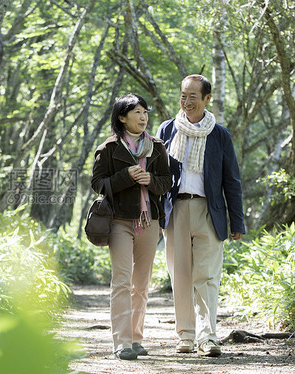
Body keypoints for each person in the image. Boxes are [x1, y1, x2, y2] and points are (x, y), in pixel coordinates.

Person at [157, 74, 245, 357]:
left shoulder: (219, 135)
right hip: (176, 209)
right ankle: (185, 335)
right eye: (183, 95)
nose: (186, 102)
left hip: (210, 210)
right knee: (180, 275)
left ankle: (207, 337)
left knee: (207, 276)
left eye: (193, 96)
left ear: (207, 99)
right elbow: (156, 173)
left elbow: (232, 180)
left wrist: (237, 221)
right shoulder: (168, 129)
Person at [91, 94, 171, 360]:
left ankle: (136, 339)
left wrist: (150, 180)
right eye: (136, 112)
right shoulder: (109, 148)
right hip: (119, 221)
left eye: (145, 112)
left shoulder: (157, 146)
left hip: (150, 221)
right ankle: (122, 342)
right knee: (122, 281)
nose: (143, 116)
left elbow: (167, 182)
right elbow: (98, 184)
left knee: (141, 284)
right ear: (122, 117)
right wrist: (125, 177)